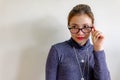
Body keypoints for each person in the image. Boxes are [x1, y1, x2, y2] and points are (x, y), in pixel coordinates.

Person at [46, 4, 111, 80]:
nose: (80, 33)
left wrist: (98, 49)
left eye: (85, 27)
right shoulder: (57, 50)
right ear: (68, 26)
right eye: (74, 27)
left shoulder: (97, 51)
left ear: (93, 28)